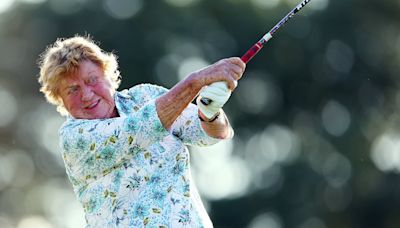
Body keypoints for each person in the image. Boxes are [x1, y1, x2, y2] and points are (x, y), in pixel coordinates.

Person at [38, 35, 245, 227]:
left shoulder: (146, 96)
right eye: (72, 90)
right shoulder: (73, 138)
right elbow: (141, 128)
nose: (86, 95)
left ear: (108, 74)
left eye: (91, 80)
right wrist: (196, 80)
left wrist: (210, 111)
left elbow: (213, 133)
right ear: (60, 99)